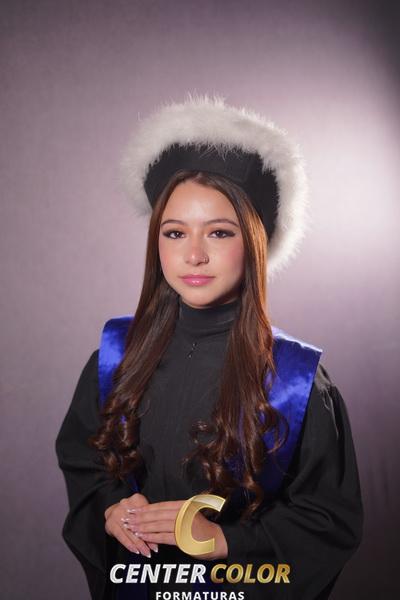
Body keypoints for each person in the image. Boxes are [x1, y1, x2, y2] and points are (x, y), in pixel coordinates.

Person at [56, 94, 363, 600]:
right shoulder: (116, 359)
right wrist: (111, 509)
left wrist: (224, 540)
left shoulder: (294, 381)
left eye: (219, 233)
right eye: (175, 232)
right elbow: (85, 464)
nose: (194, 254)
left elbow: (327, 518)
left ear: (255, 243)